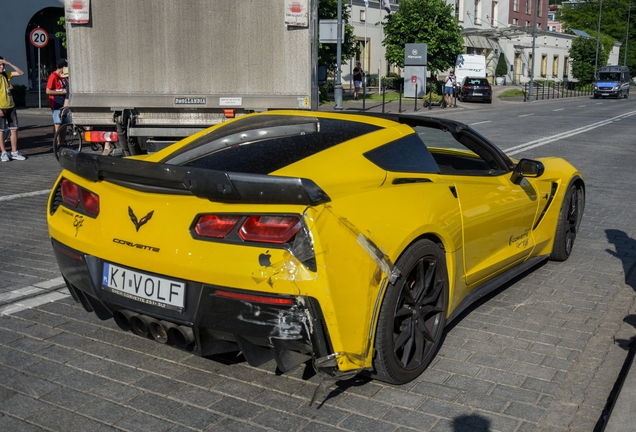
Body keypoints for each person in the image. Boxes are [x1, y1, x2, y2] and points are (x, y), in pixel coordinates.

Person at [0, 56, 26, 162]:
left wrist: (9, 63)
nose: (2, 67)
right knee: (1, 130)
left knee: (14, 129)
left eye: (3, 65)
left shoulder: (6, 75)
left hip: (11, 105)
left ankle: (14, 151)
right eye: (0, 65)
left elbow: (21, 73)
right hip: (1, 106)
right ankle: (3, 152)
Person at [46, 59, 69, 144]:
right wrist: (62, 92)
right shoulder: (53, 76)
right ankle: (58, 142)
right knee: (58, 124)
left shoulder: (64, 77)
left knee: (64, 123)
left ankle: (63, 141)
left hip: (64, 102)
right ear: (63, 67)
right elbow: (48, 91)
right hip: (56, 103)